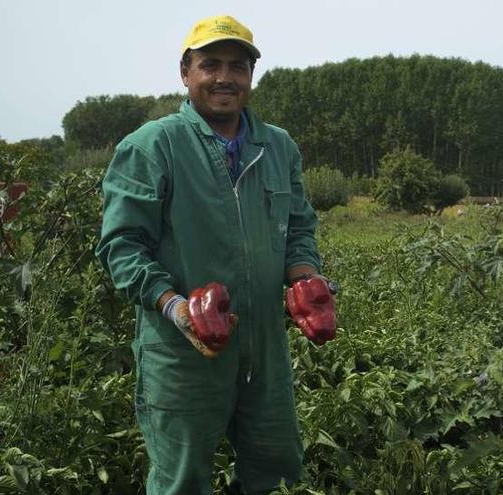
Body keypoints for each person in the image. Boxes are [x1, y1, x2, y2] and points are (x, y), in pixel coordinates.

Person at [96, 15, 335, 494]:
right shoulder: (152, 146)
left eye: (237, 66)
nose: (224, 77)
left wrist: (305, 277)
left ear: (251, 76)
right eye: (210, 65)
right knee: (181, 481)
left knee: (278, 471)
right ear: (186, 73)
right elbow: (121, 246)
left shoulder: (278, 147)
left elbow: (299, 228)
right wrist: (175, 306)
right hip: (183, 353)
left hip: (265, 351)